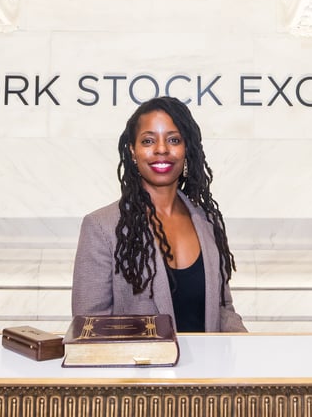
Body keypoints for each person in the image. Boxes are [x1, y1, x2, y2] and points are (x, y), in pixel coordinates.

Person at [71, 96, 246, 332]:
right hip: (138, 368)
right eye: (148, 141)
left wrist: (246, 348)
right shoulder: (101, 227)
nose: (162, 149)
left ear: (187, 150)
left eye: (173, 139)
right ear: (132, 151)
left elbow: (223, 309)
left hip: (209, 369)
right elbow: (89, 327)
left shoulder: (208, 222)